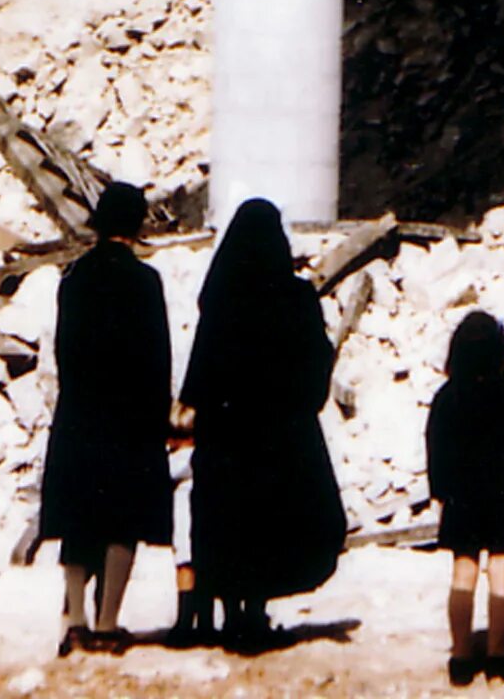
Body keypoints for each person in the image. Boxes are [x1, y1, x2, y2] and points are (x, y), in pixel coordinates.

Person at [179, 197, 348, 652]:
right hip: (280, 435)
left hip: (227, 434)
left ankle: (231, 610)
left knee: (227, 521)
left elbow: (202, 368)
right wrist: (301, 404)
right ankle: (254, 613)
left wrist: (195, 406)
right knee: (271, 522)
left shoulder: (221, 300)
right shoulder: (296, 296)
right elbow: (318, 361)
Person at [39, 181, 173, 655]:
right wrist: (161, 416)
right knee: (123, 518)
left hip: (79, 412)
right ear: (137, 226)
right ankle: (107, 623)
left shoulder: (72, 279)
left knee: (78, 516)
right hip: (130, 416)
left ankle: (74, 618)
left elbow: (63, 351)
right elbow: (158, 357)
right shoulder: (145, 282)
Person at [426, 309, 504, 683]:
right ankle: (498, 654)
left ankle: (461, 655)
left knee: (463, 567)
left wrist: (440, 491)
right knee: (502, 565)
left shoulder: (448, 395)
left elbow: (435, 445)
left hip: (462, 492)